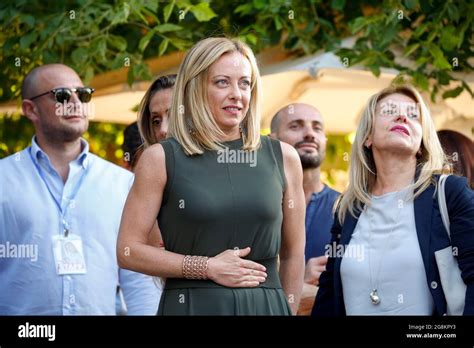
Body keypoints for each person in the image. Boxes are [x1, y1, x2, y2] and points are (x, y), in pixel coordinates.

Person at [117, 37, 305, 315]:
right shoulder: (160, 158)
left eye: (244, 83)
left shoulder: (284, 157)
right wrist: (206, 267)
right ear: (195, 88)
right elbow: (128, 250)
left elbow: (292, 254)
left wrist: (287, 311)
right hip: (192, 305)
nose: (236, 94)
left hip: (267, 307)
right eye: (221, 82)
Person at [0, 64, 160, 315]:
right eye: (62, 95)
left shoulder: (121, 183)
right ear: (30, 109)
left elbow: (139, 279)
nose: (75, 102)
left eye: (83, 94)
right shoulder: (3, 180)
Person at [312, 85, 474, 316]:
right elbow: (328, 294)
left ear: (421, 143)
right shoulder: (349, 208)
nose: (402, 116)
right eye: (389, 110)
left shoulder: (449, 194)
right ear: (367, 137)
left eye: (413, 115)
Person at [271, 103, 339, 314]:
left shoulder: (347, 208)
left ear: (325, 141)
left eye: (317, 128)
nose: (309, 133)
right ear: (273, 140)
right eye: (296, 126)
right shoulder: (255, 206)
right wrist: (297, 277)